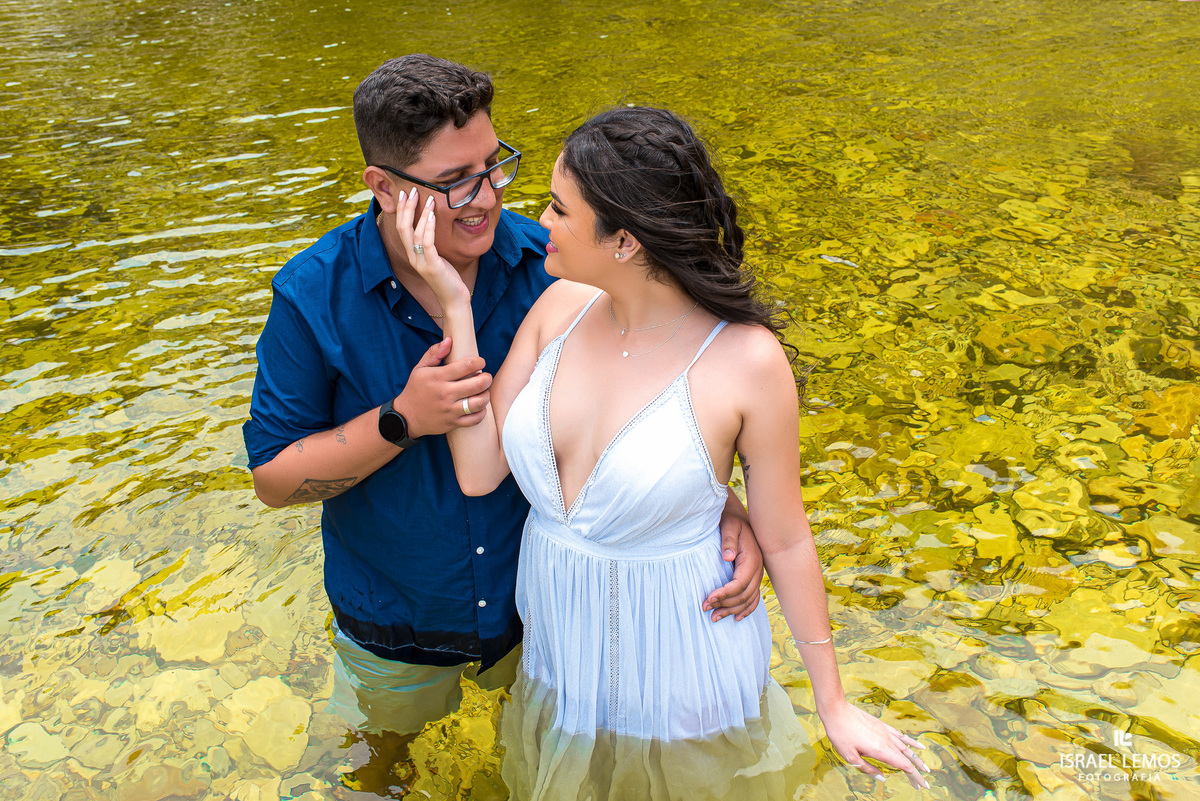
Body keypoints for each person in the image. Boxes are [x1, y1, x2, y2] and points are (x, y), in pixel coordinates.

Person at [241, 56, 765, 794]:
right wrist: (404, 419)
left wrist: (722, 504)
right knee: (377, 769)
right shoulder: (311, 294)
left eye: (494, 166)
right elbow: (274, 481)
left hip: (542, 617)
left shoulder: (553, 259)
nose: (485, 197)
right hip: (397, 622)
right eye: (456, 179)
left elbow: (654, 387)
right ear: (384, 188)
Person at [398, 106, 935, 798]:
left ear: (623, 240)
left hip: (681, 662)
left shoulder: (746, 362)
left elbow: (789, 538)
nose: (540, 220)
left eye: (559, 209)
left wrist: (832, 702)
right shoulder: (557, 308)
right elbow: (478, 471)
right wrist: (454, 305)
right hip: (565, 653)